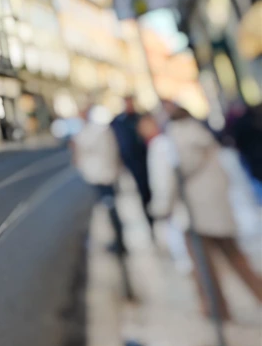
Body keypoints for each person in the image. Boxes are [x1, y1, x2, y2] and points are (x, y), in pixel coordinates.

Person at [140, 107, 262, 321]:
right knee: (237, 259)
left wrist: (161, 210)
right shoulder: (201, 134)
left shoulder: (170, 145)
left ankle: (216, 313)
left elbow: (168, 182)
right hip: (217, 210)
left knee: (204, 269)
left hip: (194, 215)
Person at [70, 106, 125, 254]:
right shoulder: (91, 131)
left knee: (109, 206)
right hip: (100, 174)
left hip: (103, 175)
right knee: (108, 207)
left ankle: (119, 243)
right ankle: (117, 240)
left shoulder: (97, 132)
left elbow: (86, 150)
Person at [111, 96, 154, 229]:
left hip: (148, 161)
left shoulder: (140, 117)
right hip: (134, 165)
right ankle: (150, 222)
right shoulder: (119, 122)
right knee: (143, 194)